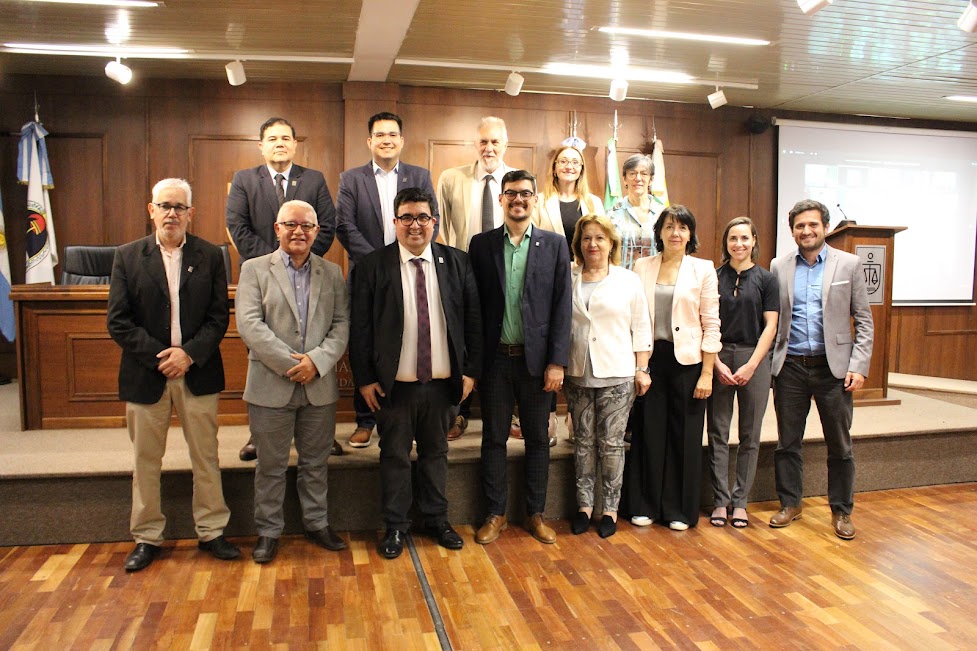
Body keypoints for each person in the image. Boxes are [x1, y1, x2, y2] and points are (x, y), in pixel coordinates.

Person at [107, 178, 238, 572]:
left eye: (179, 207)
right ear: (152, 210)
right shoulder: (127, 256)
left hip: (197, 372)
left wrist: (188, 355)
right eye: (164, 206)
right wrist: (161, 357)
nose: (172, 213)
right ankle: (147, 537)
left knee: (206, 457)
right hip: (147, 374)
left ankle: (212, 531)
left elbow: (218, 318)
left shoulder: (210, 255)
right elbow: (118, 321)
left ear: (190, 213)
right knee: (146, 460)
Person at [350, 187, 482, 559]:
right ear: (394, 222)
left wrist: (470, 372)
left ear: (434, 222)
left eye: (422, 217)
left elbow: (473, 321)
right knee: (394, 456)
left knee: (436, 454)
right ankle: (395, 526)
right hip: (393, 387)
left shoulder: (456, 262)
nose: (415, 225)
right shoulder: (373, 266)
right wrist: (365, 379)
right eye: (406, 217)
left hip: (442, 384)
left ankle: (437, 520)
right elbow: (360, 329)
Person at [235, 200, 350, 564]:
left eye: (306, 226)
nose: (298, 231)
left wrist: (317, 362)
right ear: (277, 228)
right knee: (270, 466)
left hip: (318, 386)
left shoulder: (332, 273)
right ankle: (269, 531)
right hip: (270, 385)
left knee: (315, 463)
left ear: (317, 232)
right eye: (290, 224)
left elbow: (341, 324)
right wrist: (292, 365)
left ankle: (317, 524)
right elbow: (249, 324)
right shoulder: (254, 269)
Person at [226, 116, 339, 461]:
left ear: (294, 144)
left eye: (286, 138)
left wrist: (302, 256)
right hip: (264, 279)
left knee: (312, 340)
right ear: (261, 146)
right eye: (273, 138)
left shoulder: (313, 179)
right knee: (265, 357)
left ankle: (318, 433)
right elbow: (237, 226)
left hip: (309, 275)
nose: (280, 143)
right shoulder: (245, 179)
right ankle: (258, 435)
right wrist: (275, 261)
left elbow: (327, 224)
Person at [468, 170, 572, 545]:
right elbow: (473, 308)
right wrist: (472, 364)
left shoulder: (555, 245)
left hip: (537, 363)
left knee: (538, 440)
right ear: (501, 199)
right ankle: (495, 514)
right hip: (495, 360)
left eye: (526, 193)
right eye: (511, 193)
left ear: (535, 199)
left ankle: (535, 514)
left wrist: (557, 361)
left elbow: (562, 306)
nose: (518, 199)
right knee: (493, 438)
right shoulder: (481, 245)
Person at [768, 199, 873, 540]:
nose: (807, 230)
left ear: (825, 227)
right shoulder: (779, 266)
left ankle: (841, 510)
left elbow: (865, 321)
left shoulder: (849, 264)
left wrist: (859, 366)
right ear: (792, 231)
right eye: (800, 225)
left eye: (813, 224)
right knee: (787, 442)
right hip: (791, 367)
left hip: (834, 370)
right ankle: (790, 503)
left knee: (840, 445)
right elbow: (773, 320)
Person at [336, 112, 439, 451]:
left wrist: (403, 259)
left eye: (392, 134)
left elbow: (432, 220)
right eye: (379, 135)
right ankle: (365, 420)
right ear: (369, 141)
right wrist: (380, 263)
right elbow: (345, 226)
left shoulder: (420, 176)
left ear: (401, 140)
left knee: (409, 340)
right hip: (367, 275)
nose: (386, 140)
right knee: (365, 341)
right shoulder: (351, 179)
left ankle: (407, 418)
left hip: (413, 271)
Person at [623, 204, 721, 531]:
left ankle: (679, 510)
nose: (675, 233)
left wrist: (707, 373)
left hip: (689, 362)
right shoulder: (642, 266)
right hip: (650, 358)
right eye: (669, 227)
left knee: (685, 436)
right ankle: (644, 504)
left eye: (682, 227)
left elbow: (711, 323)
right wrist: (639, 365)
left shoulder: (703, 269)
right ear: (659, 233)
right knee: (648, 432)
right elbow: (636, 318)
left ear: (690, 234)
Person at [564, 214, 651, 539]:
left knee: (611, 445)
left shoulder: (627, 280)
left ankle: (610, 509)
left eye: (600, 238)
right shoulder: (569, 276)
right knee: (583, 444)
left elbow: (641, 326)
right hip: (578, 373)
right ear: (579, 244)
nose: (593, 244)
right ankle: (584, 507)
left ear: (611, 243)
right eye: (587, 238)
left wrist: (642, 368)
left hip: (617, 374)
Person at [437, 116, 514, 442]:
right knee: (462, 342)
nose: (489, 148)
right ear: (475, 144)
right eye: (483, 141)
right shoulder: (451, 178)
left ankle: (507, 413)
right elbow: (440, 226)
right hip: (462, 272)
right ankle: (459, 412)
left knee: (504, 340)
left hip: (506, 275)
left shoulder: (517, 181)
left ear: (505, 144)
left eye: (495, 142)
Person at [706, 217, 779, 529]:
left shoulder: (767, 279)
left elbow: (771, 326)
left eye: (744, 238)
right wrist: (716, 362)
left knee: (750, 434)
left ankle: (740, 502)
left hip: (755, 357)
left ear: (754, 241)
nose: (739, 244)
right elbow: (704, 321)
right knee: (717, 432)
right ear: (726, 242)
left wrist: (752, 365)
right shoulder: (713, 276)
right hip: (719, 355)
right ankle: (720, 500)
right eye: (733, 238)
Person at [533, 144, 605, 443]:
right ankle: (548, 415)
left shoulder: (593, 202)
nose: (569, 166)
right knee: (549, 346)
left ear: (581, 168)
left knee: (579, 343)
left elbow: (602, 240)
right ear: (554, 167)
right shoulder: (540, 201)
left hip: (583, 279)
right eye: (563, 161)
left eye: (575, 162)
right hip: (548, 281)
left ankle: (576, 415)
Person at [608, 154, 664, 271]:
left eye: (644, 174)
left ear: (651, 179)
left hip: (654, 278)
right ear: (624, 179)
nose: (638, 178)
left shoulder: (663, 214)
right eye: (632, 173)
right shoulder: (612, 214)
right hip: (621, 279)